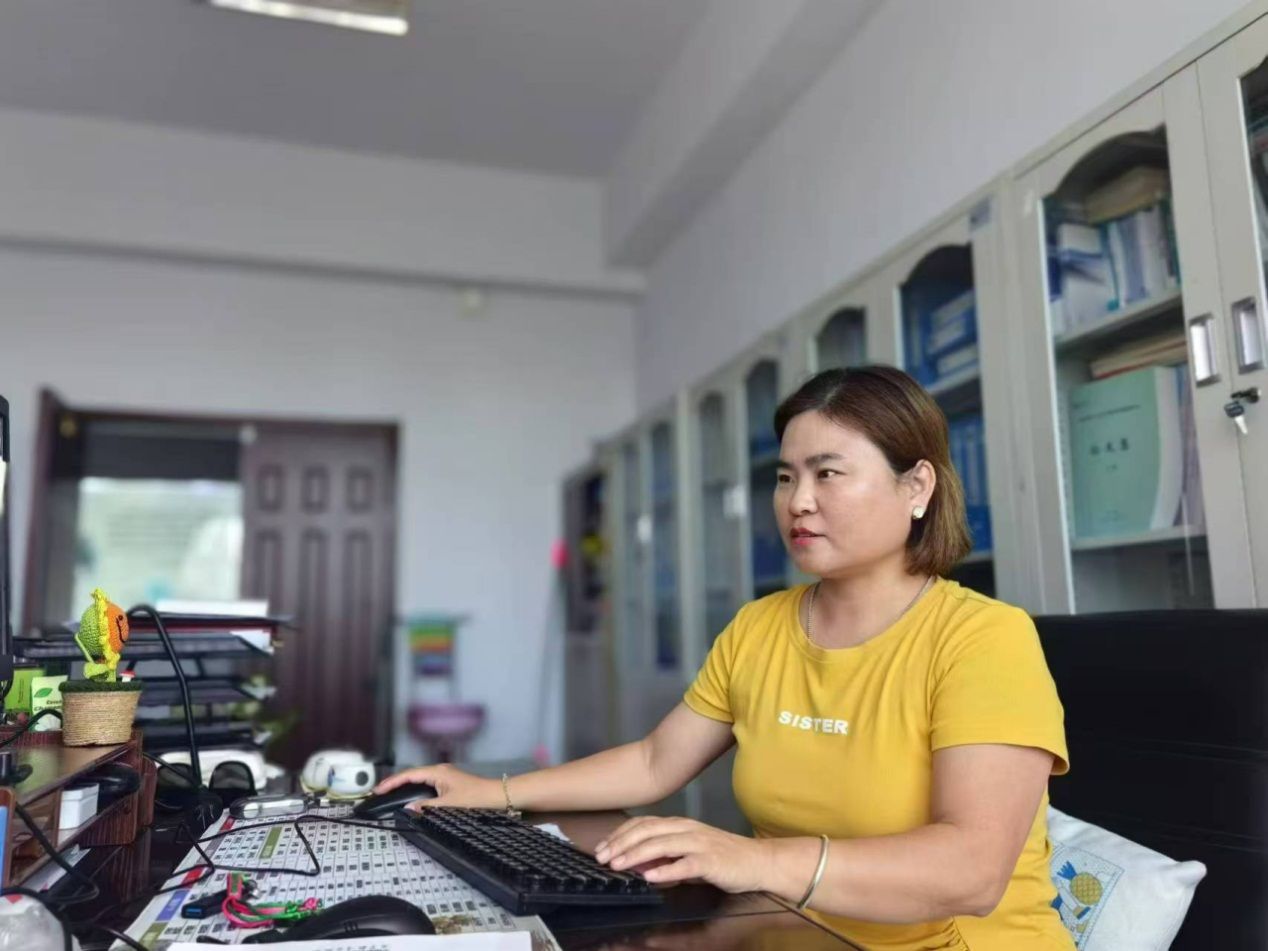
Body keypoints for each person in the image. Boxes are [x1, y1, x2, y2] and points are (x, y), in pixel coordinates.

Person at [377, 366, 1072, 950]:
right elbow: (656, 761)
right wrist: (494, 792)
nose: (798, 502)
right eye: (785, 477)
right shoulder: (759, 627)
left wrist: (754, 859)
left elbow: (973, 870)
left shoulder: (984, 638)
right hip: (791, 933)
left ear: (916, 487)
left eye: (829, 473)